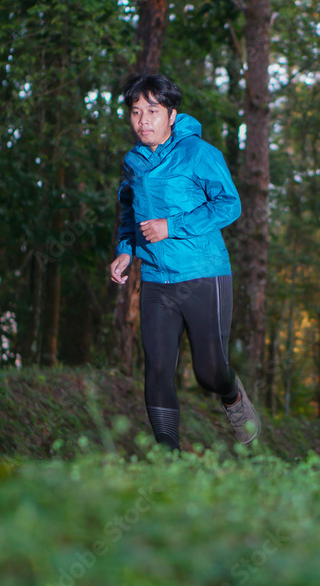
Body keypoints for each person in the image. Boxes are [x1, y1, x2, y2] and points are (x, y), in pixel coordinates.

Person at [108, 73, 260, 451]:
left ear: (172, 115)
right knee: (158, 369)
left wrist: (172, 225)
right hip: (157, 279)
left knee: (209, 372)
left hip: (203, 275)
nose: (143, 120)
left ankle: (233, 396)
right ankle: (168, 463)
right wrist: (126, 250)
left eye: (153, 111)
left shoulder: (200, 153)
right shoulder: (133, 161)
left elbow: (230, 204)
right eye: (136, 112)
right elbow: (129, 211)